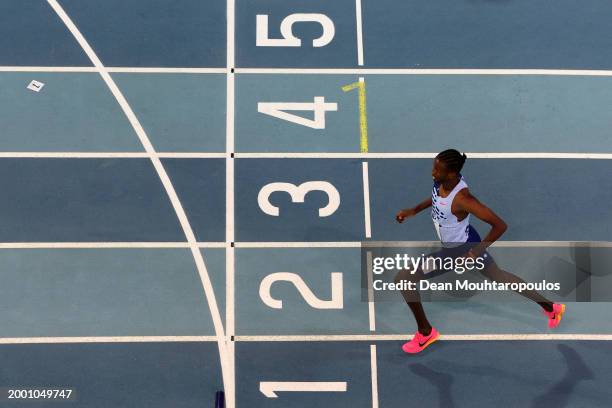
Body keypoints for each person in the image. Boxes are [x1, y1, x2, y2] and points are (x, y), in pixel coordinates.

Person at [394, 149, 565, 354]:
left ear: (451, 174)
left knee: (404, 279)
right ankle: (551, 307)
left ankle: (425, 333)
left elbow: (500, 226)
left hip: (458, 251)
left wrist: (474, 253)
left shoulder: (465, 200)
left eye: (437, 170)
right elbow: (435, 198)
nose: (432, 172)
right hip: (465, 239)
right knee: (499, 276)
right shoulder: (442, 182)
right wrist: (413, 210)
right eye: (433, 167)